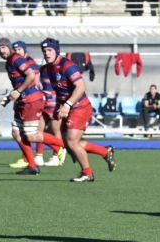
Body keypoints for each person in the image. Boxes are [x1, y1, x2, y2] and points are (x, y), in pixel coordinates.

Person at [39, 37, 115, 182]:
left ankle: (88, 173)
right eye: (44, 51)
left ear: (57, 51)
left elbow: (81, 86)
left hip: (80, 107)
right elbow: (55, 91)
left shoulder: (67, 65)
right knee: (70, 143)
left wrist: (67, 104)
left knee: (72, 141)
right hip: (66, 107)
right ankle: (105, 151)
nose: (46, 53)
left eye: (49, 50)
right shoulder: (46, 70)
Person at [0, 38, 66, 175]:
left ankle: (62, 146)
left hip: (31, 100)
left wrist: (19, 91)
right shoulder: (9, 62)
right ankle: (32, 166)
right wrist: (10, 97)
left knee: (31, 135)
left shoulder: (16, 59)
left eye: (3, 47)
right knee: (16, 132)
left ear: (9, 48)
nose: (1, 51)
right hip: (22, 101)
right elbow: (18, 84)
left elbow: (31, 75)